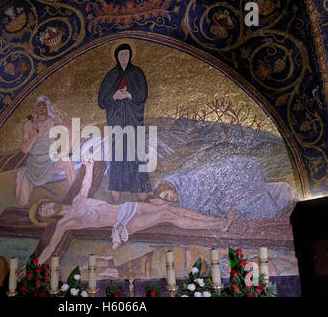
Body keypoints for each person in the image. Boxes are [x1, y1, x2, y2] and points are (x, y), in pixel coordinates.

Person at [36, 158, 238, 264]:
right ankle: (219, 225)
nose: (46, 207)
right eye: (44, 211)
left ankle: (218, 222)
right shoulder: (65, 222)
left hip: (127, 208)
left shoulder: (78, 199)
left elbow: (87, 180)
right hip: (125, 224)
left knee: (167, 207)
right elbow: (50, 247)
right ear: (49, 217)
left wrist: (88, 165)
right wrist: (35, 266)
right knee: (166, 215)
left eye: (43, 205)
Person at [154, 156, 296, 219]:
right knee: (247, 195)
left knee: (239, 202)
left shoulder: (186, 183)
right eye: (167, 200)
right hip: (228, 183)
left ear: (171, 188)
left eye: (168, 195)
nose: (171, 199)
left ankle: (279, 199)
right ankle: (282, 193)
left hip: (234, 173)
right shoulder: (182, 202)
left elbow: (206, 182)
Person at [98, 43, 151, 202]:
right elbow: (102, 100)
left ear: (130, 55)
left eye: (126, 54)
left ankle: (141, 187)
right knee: (118, 152)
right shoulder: (110, 75)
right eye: (121, 54)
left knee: (137, 150)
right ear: (116, 56)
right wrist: (115, 96)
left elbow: (142, 95)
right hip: (117, 119)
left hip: (134, 119)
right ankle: (116, 188)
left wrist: (129, 95)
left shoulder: (137, 73)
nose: (123, 57)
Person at [15, 96, 76, 206]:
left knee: (67, 161)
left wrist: (64, 155)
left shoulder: (53, 122)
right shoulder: (28, 125)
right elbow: (24, 149)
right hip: (33, 164)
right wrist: (36, 135)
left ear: (48, 107)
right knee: (23, 202)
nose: (41, 107)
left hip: (50, 160)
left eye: (44, 105)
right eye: (39, 104)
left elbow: (72, 133)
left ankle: (77, 197)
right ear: (35, 107)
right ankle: (20, 178)